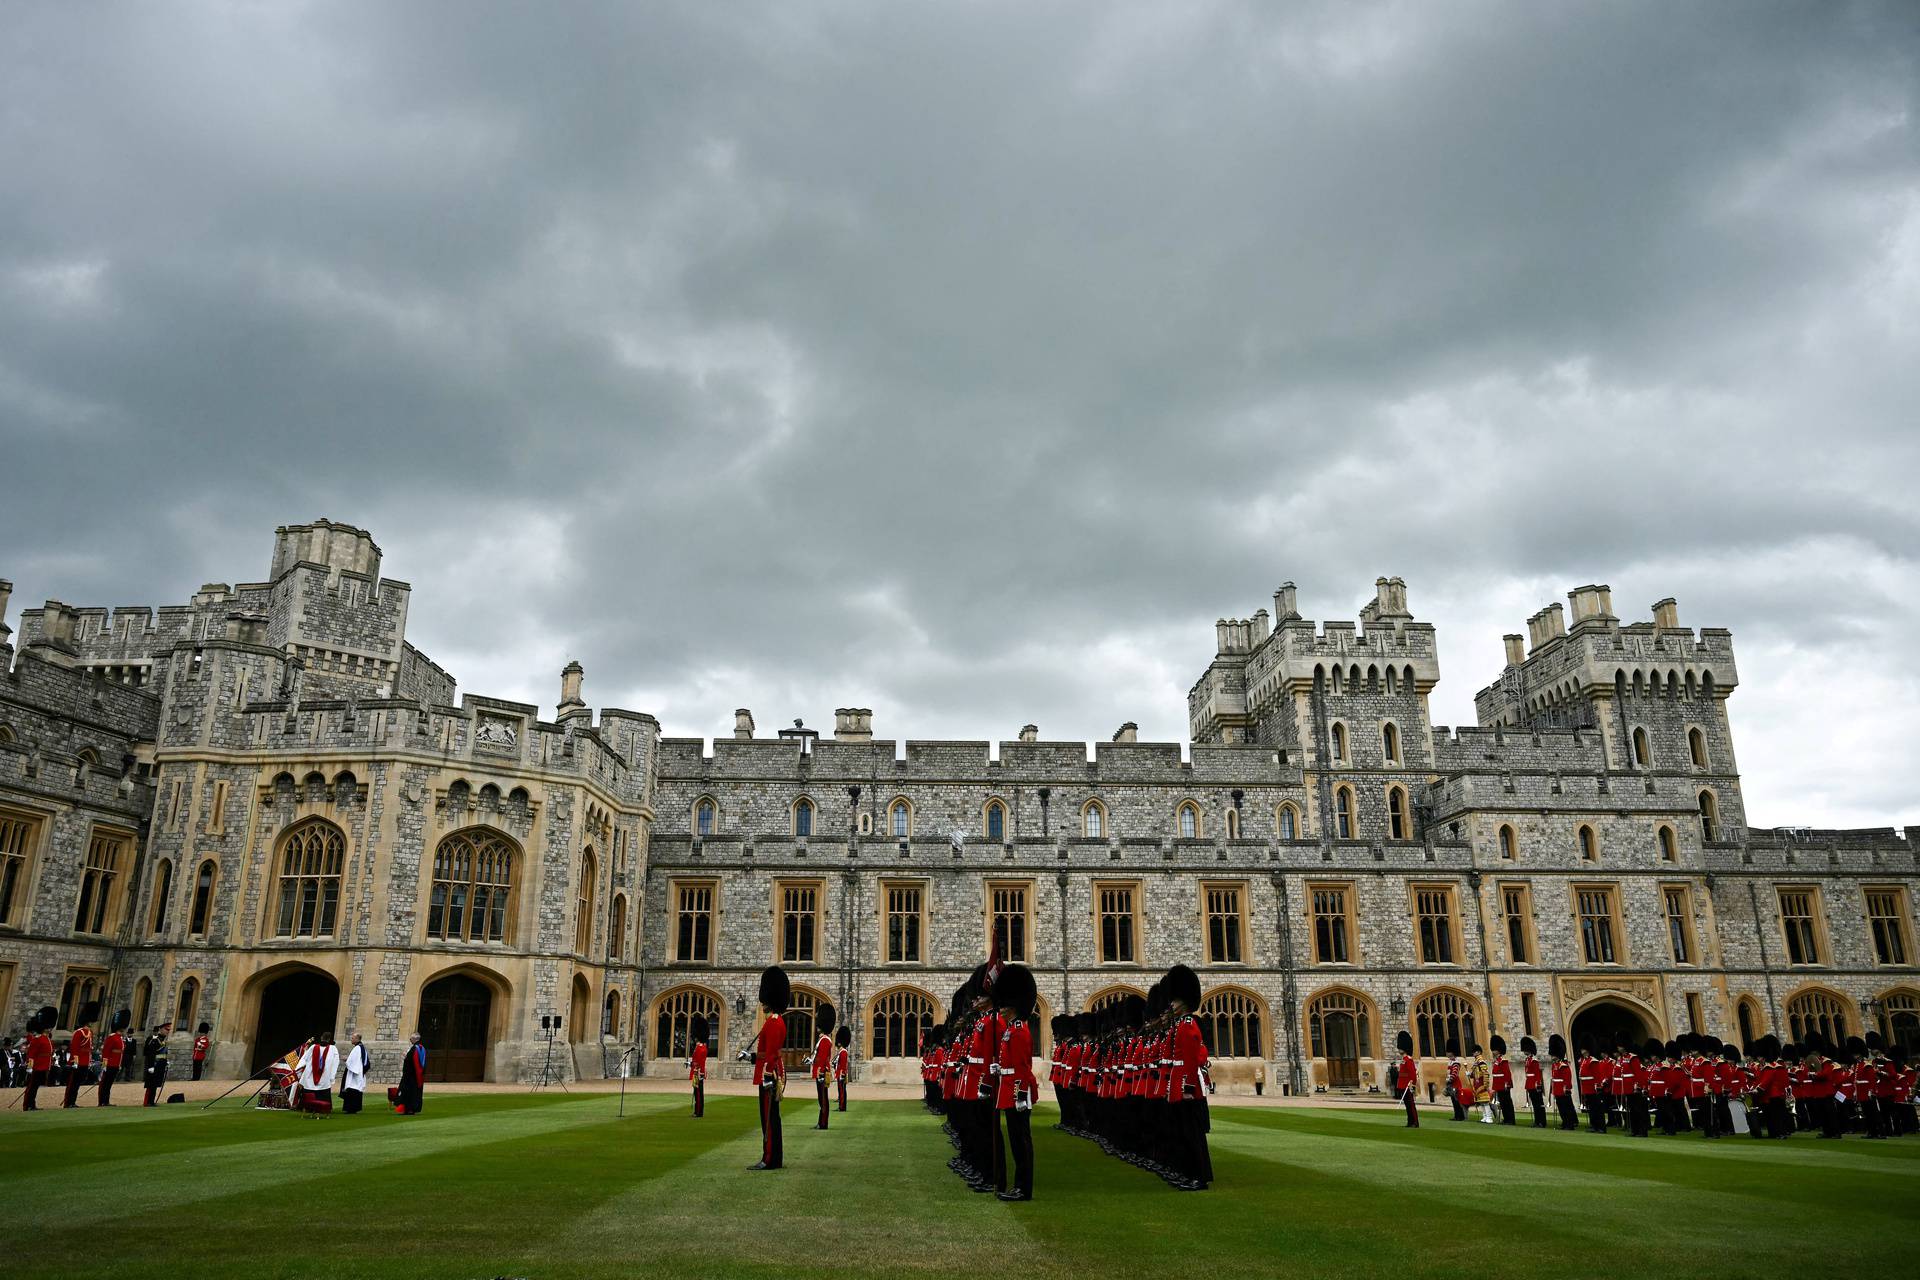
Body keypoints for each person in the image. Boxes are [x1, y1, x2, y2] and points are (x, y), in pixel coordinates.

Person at [1164, 963, 1212, 1191]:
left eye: (1174, 1000)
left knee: (1192, 1135)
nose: (1171, 1004)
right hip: (1178, 1084)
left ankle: (1198, 1176)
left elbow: (1192, 1060)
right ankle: (1188, 1172)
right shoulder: (1179, 1026)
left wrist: (1189, 1087)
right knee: (1182, 1133)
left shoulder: (1188, 1025)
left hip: (1186, 1087)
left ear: (1184, 1001)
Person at [992, 964, 1039, 1201]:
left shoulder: (1020, 1030)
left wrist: (1021, 1095)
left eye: (1003, 1006)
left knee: (1021, 1143)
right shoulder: (1013, 1028)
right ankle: (1019, 1186)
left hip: (1016, 1093)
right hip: (1009, 1090)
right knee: (1016, 1141)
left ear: (1012, 1006)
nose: (1000, 1009)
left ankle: (1023, 1189)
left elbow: (1022, 1067)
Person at [747, 965, 789, 1170]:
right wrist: (751, 1057)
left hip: (769, 1076)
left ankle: (769, 1158)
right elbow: (765, 1052)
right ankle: (774, 1157)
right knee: (771, 1118)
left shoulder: (774, 1022)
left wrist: (766, 1075)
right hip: (769, 1072)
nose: (762, 1003)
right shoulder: (774, 1021)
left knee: (769, 1118)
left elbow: (771, 1054)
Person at [62, 1001, 99, 1108]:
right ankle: (68, 1102)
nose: (91, 1023)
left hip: (85, 1061)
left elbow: (88, 1049)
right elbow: (75, 1048)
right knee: (72, 1084)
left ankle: (72, 1102)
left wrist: (89, 1060)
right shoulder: (79, 1032)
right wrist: (75, 1061)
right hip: (77, 1062)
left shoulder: (90, 1032)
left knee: (77, 1084)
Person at [295, 1032, 339, 1115]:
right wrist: (332, 1075)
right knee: (323, 1089)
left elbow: (305, 1058)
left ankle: (307, 1107)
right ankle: (323, 1108)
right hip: (324, 1074)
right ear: (329, 1039)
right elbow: (335, 1063)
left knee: (309, 1088)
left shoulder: (313, 1047)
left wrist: (297, 1069)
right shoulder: (333, 1049)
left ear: (321, 1038)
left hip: (311, 1074)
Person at [22, 1006, 56, 1110]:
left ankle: (32, 1104)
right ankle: (27, 1105)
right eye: (48, 1026)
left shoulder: (47, 1039)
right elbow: (31, 1054)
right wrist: (30, 1066)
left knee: (35, 1087)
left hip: (44, 1065)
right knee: (32, 1087)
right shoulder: (38, 1039)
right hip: (37, 1066)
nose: (50, 1028)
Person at [810, 1001, 837, 1131]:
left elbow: (822, 1058)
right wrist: (810, 1061)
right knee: (821, 1099)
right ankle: (821, 1121)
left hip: (822, 1072)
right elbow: (818, 1056)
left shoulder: (825, 1040)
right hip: (820, 1071)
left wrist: (819, 1071)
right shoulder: (823, 1039)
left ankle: (823, 1123)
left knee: (823, 1099)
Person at [98, 1008, 129, 1106]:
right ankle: (102, 1101)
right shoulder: (112, 1038)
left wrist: (119, 1065)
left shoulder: (120, 1038)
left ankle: (106, 1101)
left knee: (109, 1085)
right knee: (105, 1084)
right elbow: (106, 1052)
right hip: (109, 1065)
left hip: (115, 1065)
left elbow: (120, 1053)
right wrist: (104, 1065)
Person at [1549, 1035, 1578, 1130]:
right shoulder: (1555, 1065)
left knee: (1566, 1107)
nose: (1552, 1057)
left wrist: (1567, 1088)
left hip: (1562, 1089)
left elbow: (1567, 1078)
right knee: (1561, 1107)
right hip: (1557, 1089)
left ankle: (1570, 1123)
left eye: (1553, 1055)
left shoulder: (1563, 1065)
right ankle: (1565, 1122)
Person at [395, 1033, 427, 1114]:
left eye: (411, 1038)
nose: (410, 1040)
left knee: (409, 1092)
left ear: (415, 1039)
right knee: (416, 1092)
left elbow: (409, 1062)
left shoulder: (414, 1049)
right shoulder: (422, 1048)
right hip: (418, 1074)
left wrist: (406, 1057)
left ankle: (408, 1109)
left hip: (410, 1075)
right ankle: (414, 1108)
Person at [1395, 1030, 1420, 1128]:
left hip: (1407, 1086)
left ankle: (1415, 1122)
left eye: (1401, 1047)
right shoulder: (1404, 1060)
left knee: (1411, 1105)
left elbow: (1412, 1074)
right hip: (1402, 1085)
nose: (1399, 1049)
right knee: (1407, 1106)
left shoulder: (1408, 1060)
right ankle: (1410, 1121)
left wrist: (1412, 1085)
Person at [142, 1022, 171, 1105]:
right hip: (154, 1064)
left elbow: (163, 1053)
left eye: (168, 1030)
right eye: (166, 1029)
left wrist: (166, 1061)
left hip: (160, 1065)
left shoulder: (163, 1040)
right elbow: (151, 1054)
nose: (167, 1031)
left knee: (155, 1084)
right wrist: (150, 1066)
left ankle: (151, 1101)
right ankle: (147, 1101)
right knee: (151, 1084)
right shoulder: (155, 1040)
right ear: (161, 1029)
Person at [340, 1033, 369, 1114]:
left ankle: (351, 1109)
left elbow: (352, 1061)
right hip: (358, 1071)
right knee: (356, 1089)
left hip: (355, 1073)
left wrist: (346, 1060)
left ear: (357, 1039)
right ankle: (354, 1108)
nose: (351, 1039)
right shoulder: (361, 1047)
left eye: (352, 1038)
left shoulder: (357, 1048)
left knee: (352, 1089)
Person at [687, 1014, 709, 1117]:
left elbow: (698, 1062)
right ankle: (697, 1110)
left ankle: (699, 1111)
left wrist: (691, 1064)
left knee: (699, 1093)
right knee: (697, 1092)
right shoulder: (700, 1047)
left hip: (698, 1072)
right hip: (697, 1071)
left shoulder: (700, 1048)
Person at [1490, 1035, 1516, 1125]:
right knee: (1502, 1103)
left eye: (1494, 1050)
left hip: (1504, 1084)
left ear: (1498, 1050)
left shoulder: (1503, 1061)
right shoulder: (1496, 1061)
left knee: (1507, 1102)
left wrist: (1507, 1083)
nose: (1493, 1051)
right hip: (1498, 1084)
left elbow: (1507, 1073)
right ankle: (1506, 1119)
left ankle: (1511, 1119)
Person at [1522, 1036, 1545, 1127]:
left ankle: (1542, 1122)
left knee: (1539, 1104)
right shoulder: (1527, 1060)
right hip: (1530, 1083)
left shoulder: (1534, 1060)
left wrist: (1538, 1084)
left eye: (1525, 1049)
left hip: (1535, 1084)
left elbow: (1537, 1073)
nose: (1524, 1051)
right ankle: (1537, 1121)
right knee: (1535, 1104)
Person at [834, 1024, 852, 1113]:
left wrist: (842, 1074)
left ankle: (842, 1106)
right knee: (841, 1090)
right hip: (839, 1073)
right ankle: (841, 1105)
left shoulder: (843, 1052)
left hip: (841, 1074)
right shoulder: (841, 1052)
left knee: (842, 1091)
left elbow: (844, 1064)